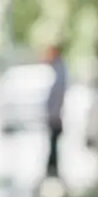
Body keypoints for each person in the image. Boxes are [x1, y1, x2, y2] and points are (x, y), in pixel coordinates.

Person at [45, 43, 67, 177]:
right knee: (52, 141)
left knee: (54, 141)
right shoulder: (56, 69)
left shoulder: (60, 70)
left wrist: (55, 113)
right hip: (54, 113)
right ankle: (52, 165)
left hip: (56, 114)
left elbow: (58, 93)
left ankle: (53, 166)